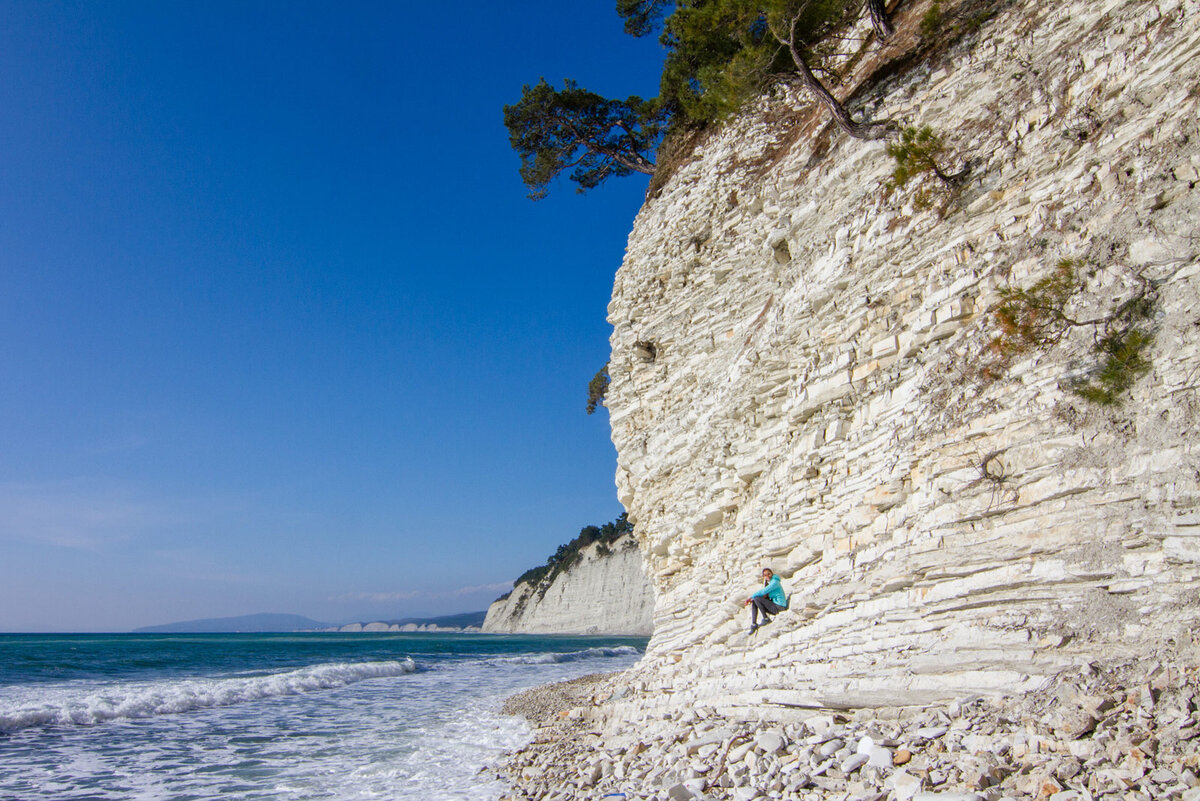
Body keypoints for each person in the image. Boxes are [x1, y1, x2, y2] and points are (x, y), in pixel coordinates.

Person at [744, 567, 786, 634]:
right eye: (765, 575)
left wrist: (750, 597)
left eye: (768, 574)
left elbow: (763, 591)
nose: (767, 576)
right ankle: (753, 624)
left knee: (756, 598)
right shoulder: (770, 583)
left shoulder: (775, 582)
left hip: (779, 607)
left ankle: (766, 618)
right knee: (755, 601)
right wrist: (752, 599)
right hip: (775, 606)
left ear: (772, 573)